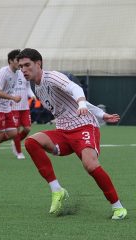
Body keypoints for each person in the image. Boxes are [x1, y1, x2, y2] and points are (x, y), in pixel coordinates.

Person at [17, 48, 127, 220]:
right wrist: (101, 113)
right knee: (31, 142)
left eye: (27, 65)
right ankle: (57, 190)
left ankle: (118, 207)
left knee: (90, 165)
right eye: (20, 66)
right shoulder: (37, 88)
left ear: (38, 64)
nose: (23, 69)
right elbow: (71, 100)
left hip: (84, 127)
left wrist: (84, 106)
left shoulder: (52, 77)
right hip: (63, 132)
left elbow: (74, 88)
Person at [10, 74, 36, 159]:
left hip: (25, 107)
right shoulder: (10, 74)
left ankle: (15, 142)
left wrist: (32, 95)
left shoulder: (25, 73)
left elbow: (28, 88)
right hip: (14, 107)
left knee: (27, 128)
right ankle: (19, 153)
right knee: (15, 130)